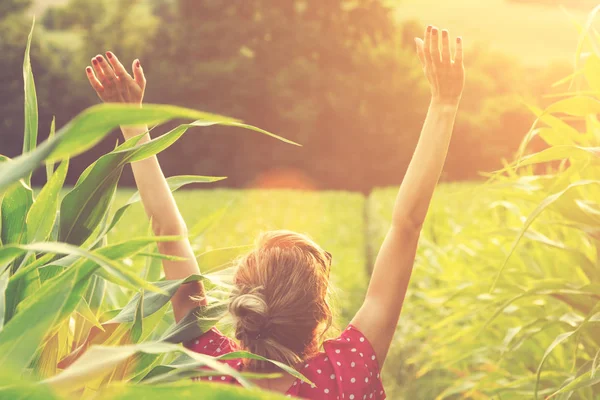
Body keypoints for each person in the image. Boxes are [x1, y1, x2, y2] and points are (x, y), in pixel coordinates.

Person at [85, 24, 465, 399]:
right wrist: (444, 105)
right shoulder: (347, 375)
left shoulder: (210, 370)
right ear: (320, 317)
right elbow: (407, 225)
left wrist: (132, 122)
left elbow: (167, 230)